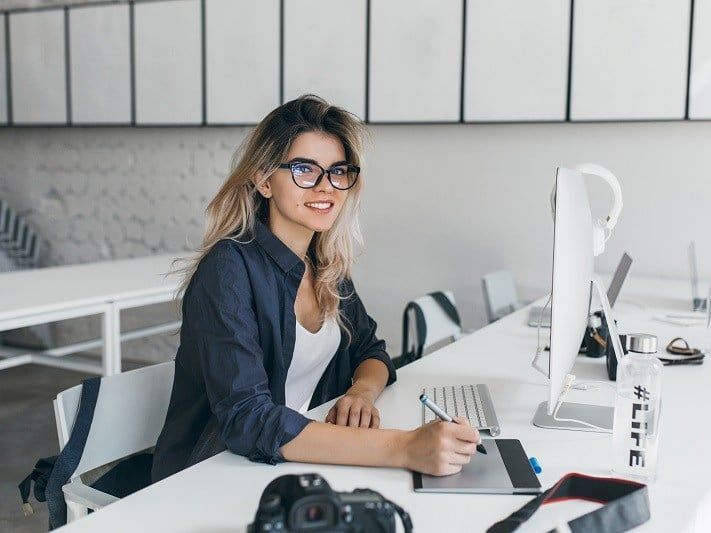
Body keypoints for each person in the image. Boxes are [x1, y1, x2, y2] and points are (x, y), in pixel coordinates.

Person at [152, 95, 480, 483]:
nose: (326, 187)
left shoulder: (325, 265)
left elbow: (371, 351)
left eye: (337, 171)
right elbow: (248, 419)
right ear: (263, 180)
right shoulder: (228, 270)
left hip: (289, 461)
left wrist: (360, 393)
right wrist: (404, 447)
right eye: (304, 169)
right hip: (209, 475)